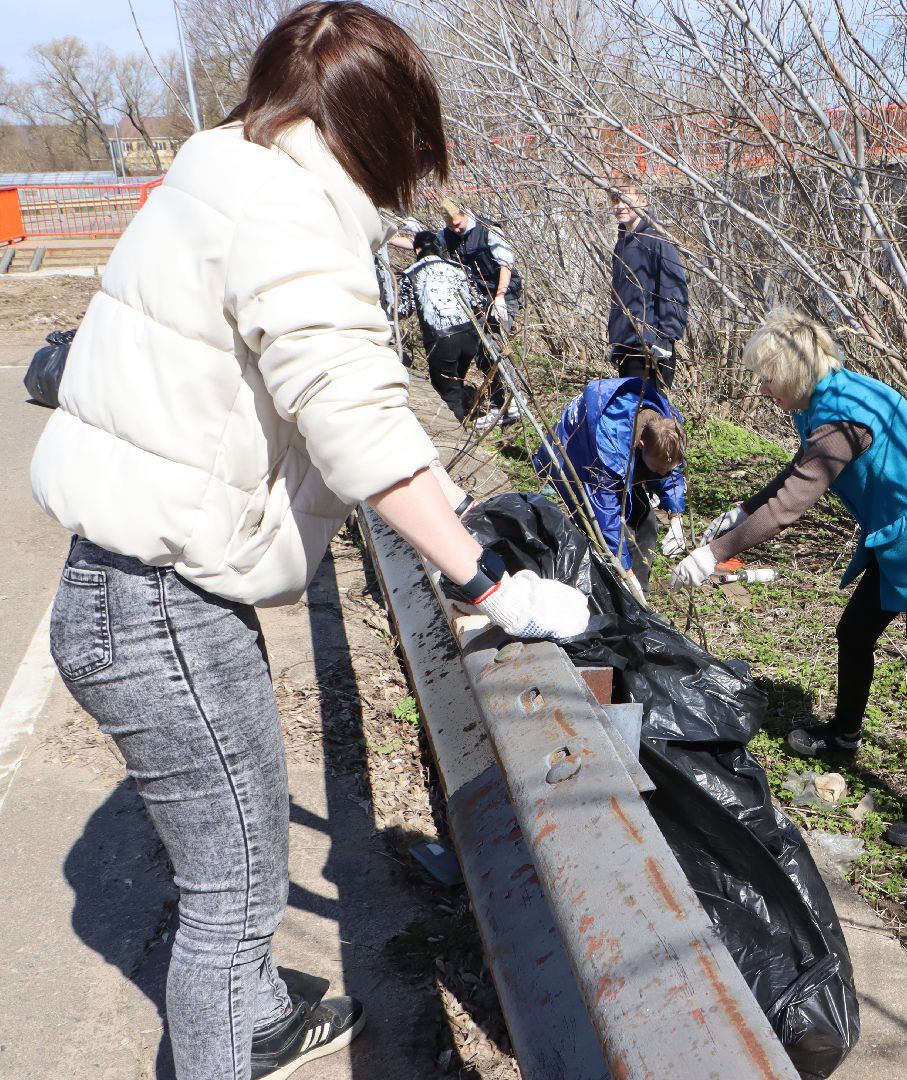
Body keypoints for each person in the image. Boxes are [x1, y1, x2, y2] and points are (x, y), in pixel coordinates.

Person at [28, 6, 590, 1079]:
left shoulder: (214, 170)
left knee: (234, 860)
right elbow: (364, 426)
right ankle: (223, 1044)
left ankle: (258, 1018)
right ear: (380, 127)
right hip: (162, 607)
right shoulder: (293, 216)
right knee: (233, 895)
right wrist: (489, 585)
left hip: (121, 585)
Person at [674, 308, 907, 848]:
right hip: (899, 539)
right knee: (854, 634)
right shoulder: (823, 399)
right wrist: (741, 509)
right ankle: (844, 734)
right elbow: (803, 466)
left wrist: (714, 554)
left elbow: (789, 508)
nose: (763, 387)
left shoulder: (843, 419)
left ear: (794, 374)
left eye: (768, 377)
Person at [534, 377, 687, 596]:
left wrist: (676, 515)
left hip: (623, 456)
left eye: (668, 467)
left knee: (646, 523)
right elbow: (607, 518)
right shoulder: (609, 449)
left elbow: (671, 468)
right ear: (641, 445)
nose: (664, 473)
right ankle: (604, 592)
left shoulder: (669, 428)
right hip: (577, 458)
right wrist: (626, 572)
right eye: (659, 467)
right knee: (598, 530)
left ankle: (638, 596)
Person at [440, 198, 522, 430]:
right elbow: (421, 242)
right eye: (451, 227)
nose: (456, 230)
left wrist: (500, 297)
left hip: (503, 295)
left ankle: (515, 399)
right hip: (477, 300)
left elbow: (505, 264)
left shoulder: (488, 230)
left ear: (465, 213)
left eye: (458, 224)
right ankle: (498, 404)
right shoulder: (447, 234)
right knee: (481, 350)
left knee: (495, 345)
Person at [608, 185, 688, 390]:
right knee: (632, 415)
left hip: (650, 346)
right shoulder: (622, 243)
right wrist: (618, 342)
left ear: (643, 201)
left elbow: (673, 289)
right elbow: (622, 296)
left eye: (626, 199)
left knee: (651, 417)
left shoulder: (656, 239)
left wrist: (665, 338)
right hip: (628, 345)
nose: (620, 206)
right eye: (616, 200)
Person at [398, 229, 482, 420]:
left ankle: (459, 437)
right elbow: (479, 303)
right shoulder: (460, 268)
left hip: (441, 339)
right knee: (457, 381)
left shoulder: (412, 273)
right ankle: (465, 415)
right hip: (470, 335)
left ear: (417, 250)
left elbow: (404, 310)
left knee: (447, 392)